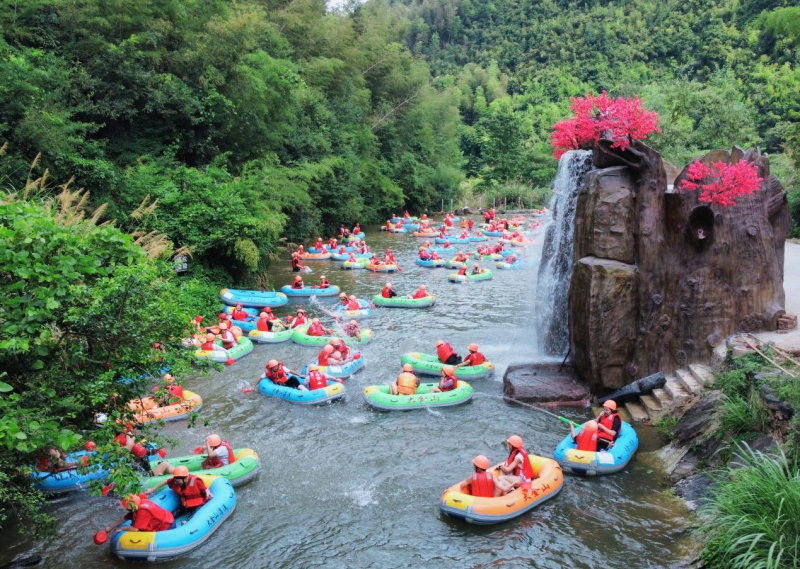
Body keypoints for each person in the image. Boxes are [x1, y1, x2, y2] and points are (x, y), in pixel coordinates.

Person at [145, 466, 211, 516]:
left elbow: (205, 489)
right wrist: (152, 490)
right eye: (175, 481)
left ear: (185, 479)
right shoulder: (174, 481)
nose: (176, 483)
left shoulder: (195, 481)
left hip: (198, 504)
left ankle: (188, 520)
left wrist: (207, 491)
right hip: (186, 504)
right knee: (174, 514)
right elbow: (165, 482)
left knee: (195, 513)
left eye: (178, 481)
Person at [102, 494, 175, 536]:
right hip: (167, 517)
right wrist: (110, 527)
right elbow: (124, 518)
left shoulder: (143, 511)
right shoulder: (137, 505)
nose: (125, 509)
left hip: (167, 526)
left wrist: (123, 528)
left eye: (126, 507)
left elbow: (135, 529)